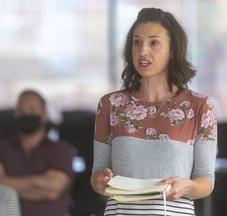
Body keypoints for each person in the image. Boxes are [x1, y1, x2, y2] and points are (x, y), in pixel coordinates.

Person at [91, 7, 217, 216]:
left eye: (154, 43)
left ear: (173, 50)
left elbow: (205, 179)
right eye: (137, 42)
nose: (143, 51)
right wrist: (100, 180)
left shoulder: (200, 107)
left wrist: (188, 187)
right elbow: (97, 173)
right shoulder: (110, 105)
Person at [0, 89, 74, 216]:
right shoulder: (0, 148)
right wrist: (38, 181)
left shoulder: (61, 150)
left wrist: (6, 181)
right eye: (21, 111)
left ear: (44, 114)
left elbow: (52, 189)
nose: (26, 114)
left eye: (31, 109)